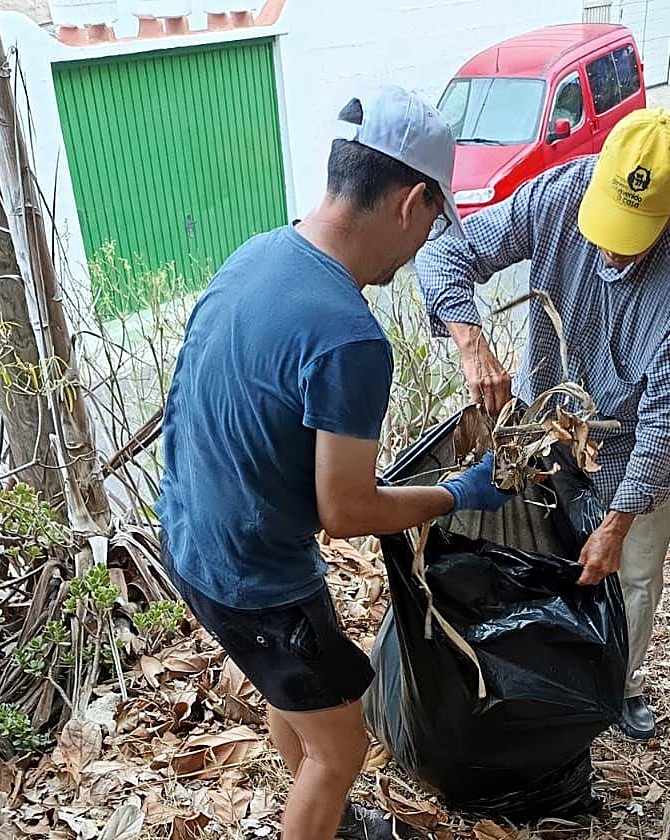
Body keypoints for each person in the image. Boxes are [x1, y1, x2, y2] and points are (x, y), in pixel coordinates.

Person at [156, 86, 511, 840]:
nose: (423, 247)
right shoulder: (350, 336)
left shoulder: (260, 251)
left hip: (188, 540)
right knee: (340, 751)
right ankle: (324, 816)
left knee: (304, 706)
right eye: (431, 226)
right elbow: (345, 512)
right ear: (411, 202)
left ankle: (334, 824)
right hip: (255, 580)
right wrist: (456, 494)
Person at [416, 108, 670, 742]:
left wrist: (617, 521)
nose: (610, 246)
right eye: (607, 222)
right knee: (535, 546)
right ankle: (531, 672)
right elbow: (447, 257)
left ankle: (619, 681)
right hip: (548, 420)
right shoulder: (558, 197)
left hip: (637, 438)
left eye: (632, 231)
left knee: (632, 570)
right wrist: (473, 345)